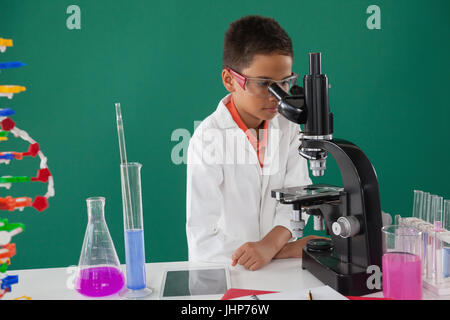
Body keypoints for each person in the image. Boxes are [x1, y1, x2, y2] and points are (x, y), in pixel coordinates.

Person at [186, 15, 326, 271]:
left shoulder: (288, 126)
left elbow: (298, 194)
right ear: (230, 80)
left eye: (284, 82)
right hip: (228, 271)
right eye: (263, 84)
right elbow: (202, 239)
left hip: (279, 271)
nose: (278, 96)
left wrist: (270, 246)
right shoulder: (208, 139)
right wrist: (278, 250)